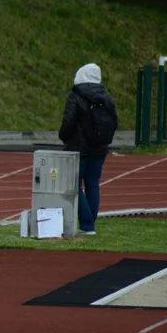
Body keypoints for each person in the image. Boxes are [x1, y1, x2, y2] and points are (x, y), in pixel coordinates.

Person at [58, 62, 118, 235]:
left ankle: (87, 225)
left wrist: (64, 137)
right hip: (99, 147)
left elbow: (68, 120)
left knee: (74, 185)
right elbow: (114, 121)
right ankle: (90, 222)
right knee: (92, 185)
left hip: (78, 147)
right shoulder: (106, 97)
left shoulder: (76, 95)